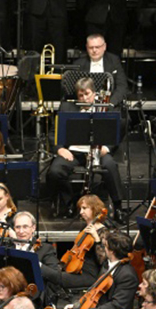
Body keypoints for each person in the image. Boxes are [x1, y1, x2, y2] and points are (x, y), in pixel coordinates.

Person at [46, 76, 124, 213]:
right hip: (73, 152)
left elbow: (116, 133)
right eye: (80, 95)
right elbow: (53, 133)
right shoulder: (67, 107)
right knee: (54, 171)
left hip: (97, 152)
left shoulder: (105, 108)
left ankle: (118, 207)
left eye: (87, 94)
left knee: (110, 166)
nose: (85, 98)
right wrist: (60, 149)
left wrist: (106, 148)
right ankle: (70, 203)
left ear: (94, 93)